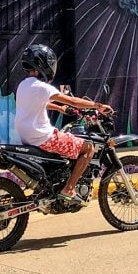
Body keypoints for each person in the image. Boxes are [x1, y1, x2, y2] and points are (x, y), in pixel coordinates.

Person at [15, 44, 113, 204]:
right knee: (88, 148)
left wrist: (60, 109)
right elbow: (73, 101)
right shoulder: (43, 87)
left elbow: (40, 104)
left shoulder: (23, 85)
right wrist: (98, 106)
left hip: (27, 137)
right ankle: (69, 188)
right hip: (44, 137)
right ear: (45, 65)